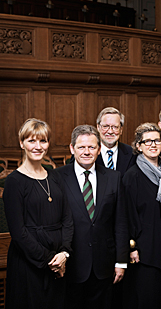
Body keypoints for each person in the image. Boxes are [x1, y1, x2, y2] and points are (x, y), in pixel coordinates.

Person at [3, 118, 73, 308]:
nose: (38, 146)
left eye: (43, 141)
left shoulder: (55, 176)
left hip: (59, 259)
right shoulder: (14, 182)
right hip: (29, 263)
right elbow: (18, 232)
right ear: (21, 143)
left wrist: (64, 253)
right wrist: (51, 259)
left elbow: (67, 218)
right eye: (31, 141)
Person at [57, 125, 128, 309]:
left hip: (104, 265)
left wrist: (121, 261)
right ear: (72, 149)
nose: (86, 152)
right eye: (81, 147)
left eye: (91, 147)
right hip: (71, 265)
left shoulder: (114, 178)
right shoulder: (57, 177)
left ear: (99, 149)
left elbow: (120, 222)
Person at [122, 123, 161, 309]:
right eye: (148, 141)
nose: (153, 145)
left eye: (157, 141)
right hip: (145, 251)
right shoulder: (132, 176)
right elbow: (126, 215)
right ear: (138, 146)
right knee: (148, 299)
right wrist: (132, 246)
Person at [95, 107, 136, 175]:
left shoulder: (132, 153)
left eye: (115, 127)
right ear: (98, 128)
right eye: (105, 126)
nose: (110, 131)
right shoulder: (88, 152)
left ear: (121, 130)